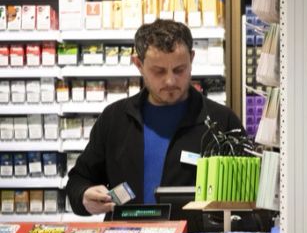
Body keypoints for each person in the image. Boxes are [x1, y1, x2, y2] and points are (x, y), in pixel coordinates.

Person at [66, 19, 244, 216]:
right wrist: (84, 196)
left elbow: (245, 198)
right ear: (138, 64)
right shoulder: (114, 119)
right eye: (158, 71)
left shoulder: (222, 121)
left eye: (179, 70)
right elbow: (79, 179)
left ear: (191, 59)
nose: (170, 80)